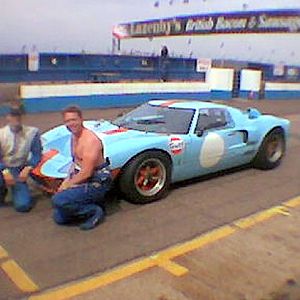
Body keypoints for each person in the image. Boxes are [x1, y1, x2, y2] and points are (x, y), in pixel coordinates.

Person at [52, 106, 112, 230]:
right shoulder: (73, 136)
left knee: (58, 200)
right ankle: (87, 203)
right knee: (59, 217)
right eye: (67, 121)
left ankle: (95, 211)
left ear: (81, 119)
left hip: (97, 180)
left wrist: (67, 185)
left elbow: (86, 173)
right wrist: (67, 179)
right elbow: (75, 162)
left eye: (74, 120)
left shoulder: (90, 140)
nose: (71, 124)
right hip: (83, 176)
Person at [0, 107, 42, 212]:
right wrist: (5, 171)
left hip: (19, 168)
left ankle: (18, 189)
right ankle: (2, 189)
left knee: (23, 206)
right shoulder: (1, 134)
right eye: (13, 116)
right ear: (7, 117)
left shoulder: (32, 133)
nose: (16, 119)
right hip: (3, 167)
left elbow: (37, 154)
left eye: (18, 116)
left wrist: (28, 168)